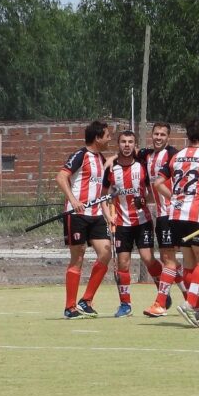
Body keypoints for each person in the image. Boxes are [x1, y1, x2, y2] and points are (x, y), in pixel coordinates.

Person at [154, 118, 199, 327]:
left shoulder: (175, 157)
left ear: (187, 135)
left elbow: (158, 183)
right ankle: (189, 304)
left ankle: (195, 309)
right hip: (198, 217)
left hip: (176, 217)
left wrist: (174, 198)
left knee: (188, 263)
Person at [56, 120, 113, 319]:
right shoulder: (80, 155)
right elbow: (61, 177)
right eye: (107, 135)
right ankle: (69, 307)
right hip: (77, 214)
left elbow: (102, 185)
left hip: (95, 215)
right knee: (78, 257)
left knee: (106, 254)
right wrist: (73, 200)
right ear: (97, 138)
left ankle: (86, 300)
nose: (109, 139)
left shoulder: (100, 158)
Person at [100, 130, 160, 317]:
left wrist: (144, 200)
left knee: (148, 258)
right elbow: (103, 196)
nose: (127, 145)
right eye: (124, 142)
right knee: (123, 264)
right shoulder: (111, 169)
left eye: (130, 142)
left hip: (143, 221)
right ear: (118, 144)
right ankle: (125, 305)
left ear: (135, 145)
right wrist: (107, 216)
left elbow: (151, 193)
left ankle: (163, 293)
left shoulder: (142, 166)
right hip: (122, 224)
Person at [138, 122, 186, 318]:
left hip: (172, 215)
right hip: (161, 215)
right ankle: (190, 298)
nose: (158, 137)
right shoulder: (147, 156)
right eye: (156, 134)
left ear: (168, 137)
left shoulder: (174, 155)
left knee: (168, 259)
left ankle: (160, 303)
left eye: (162, 134)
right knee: (170, 259)